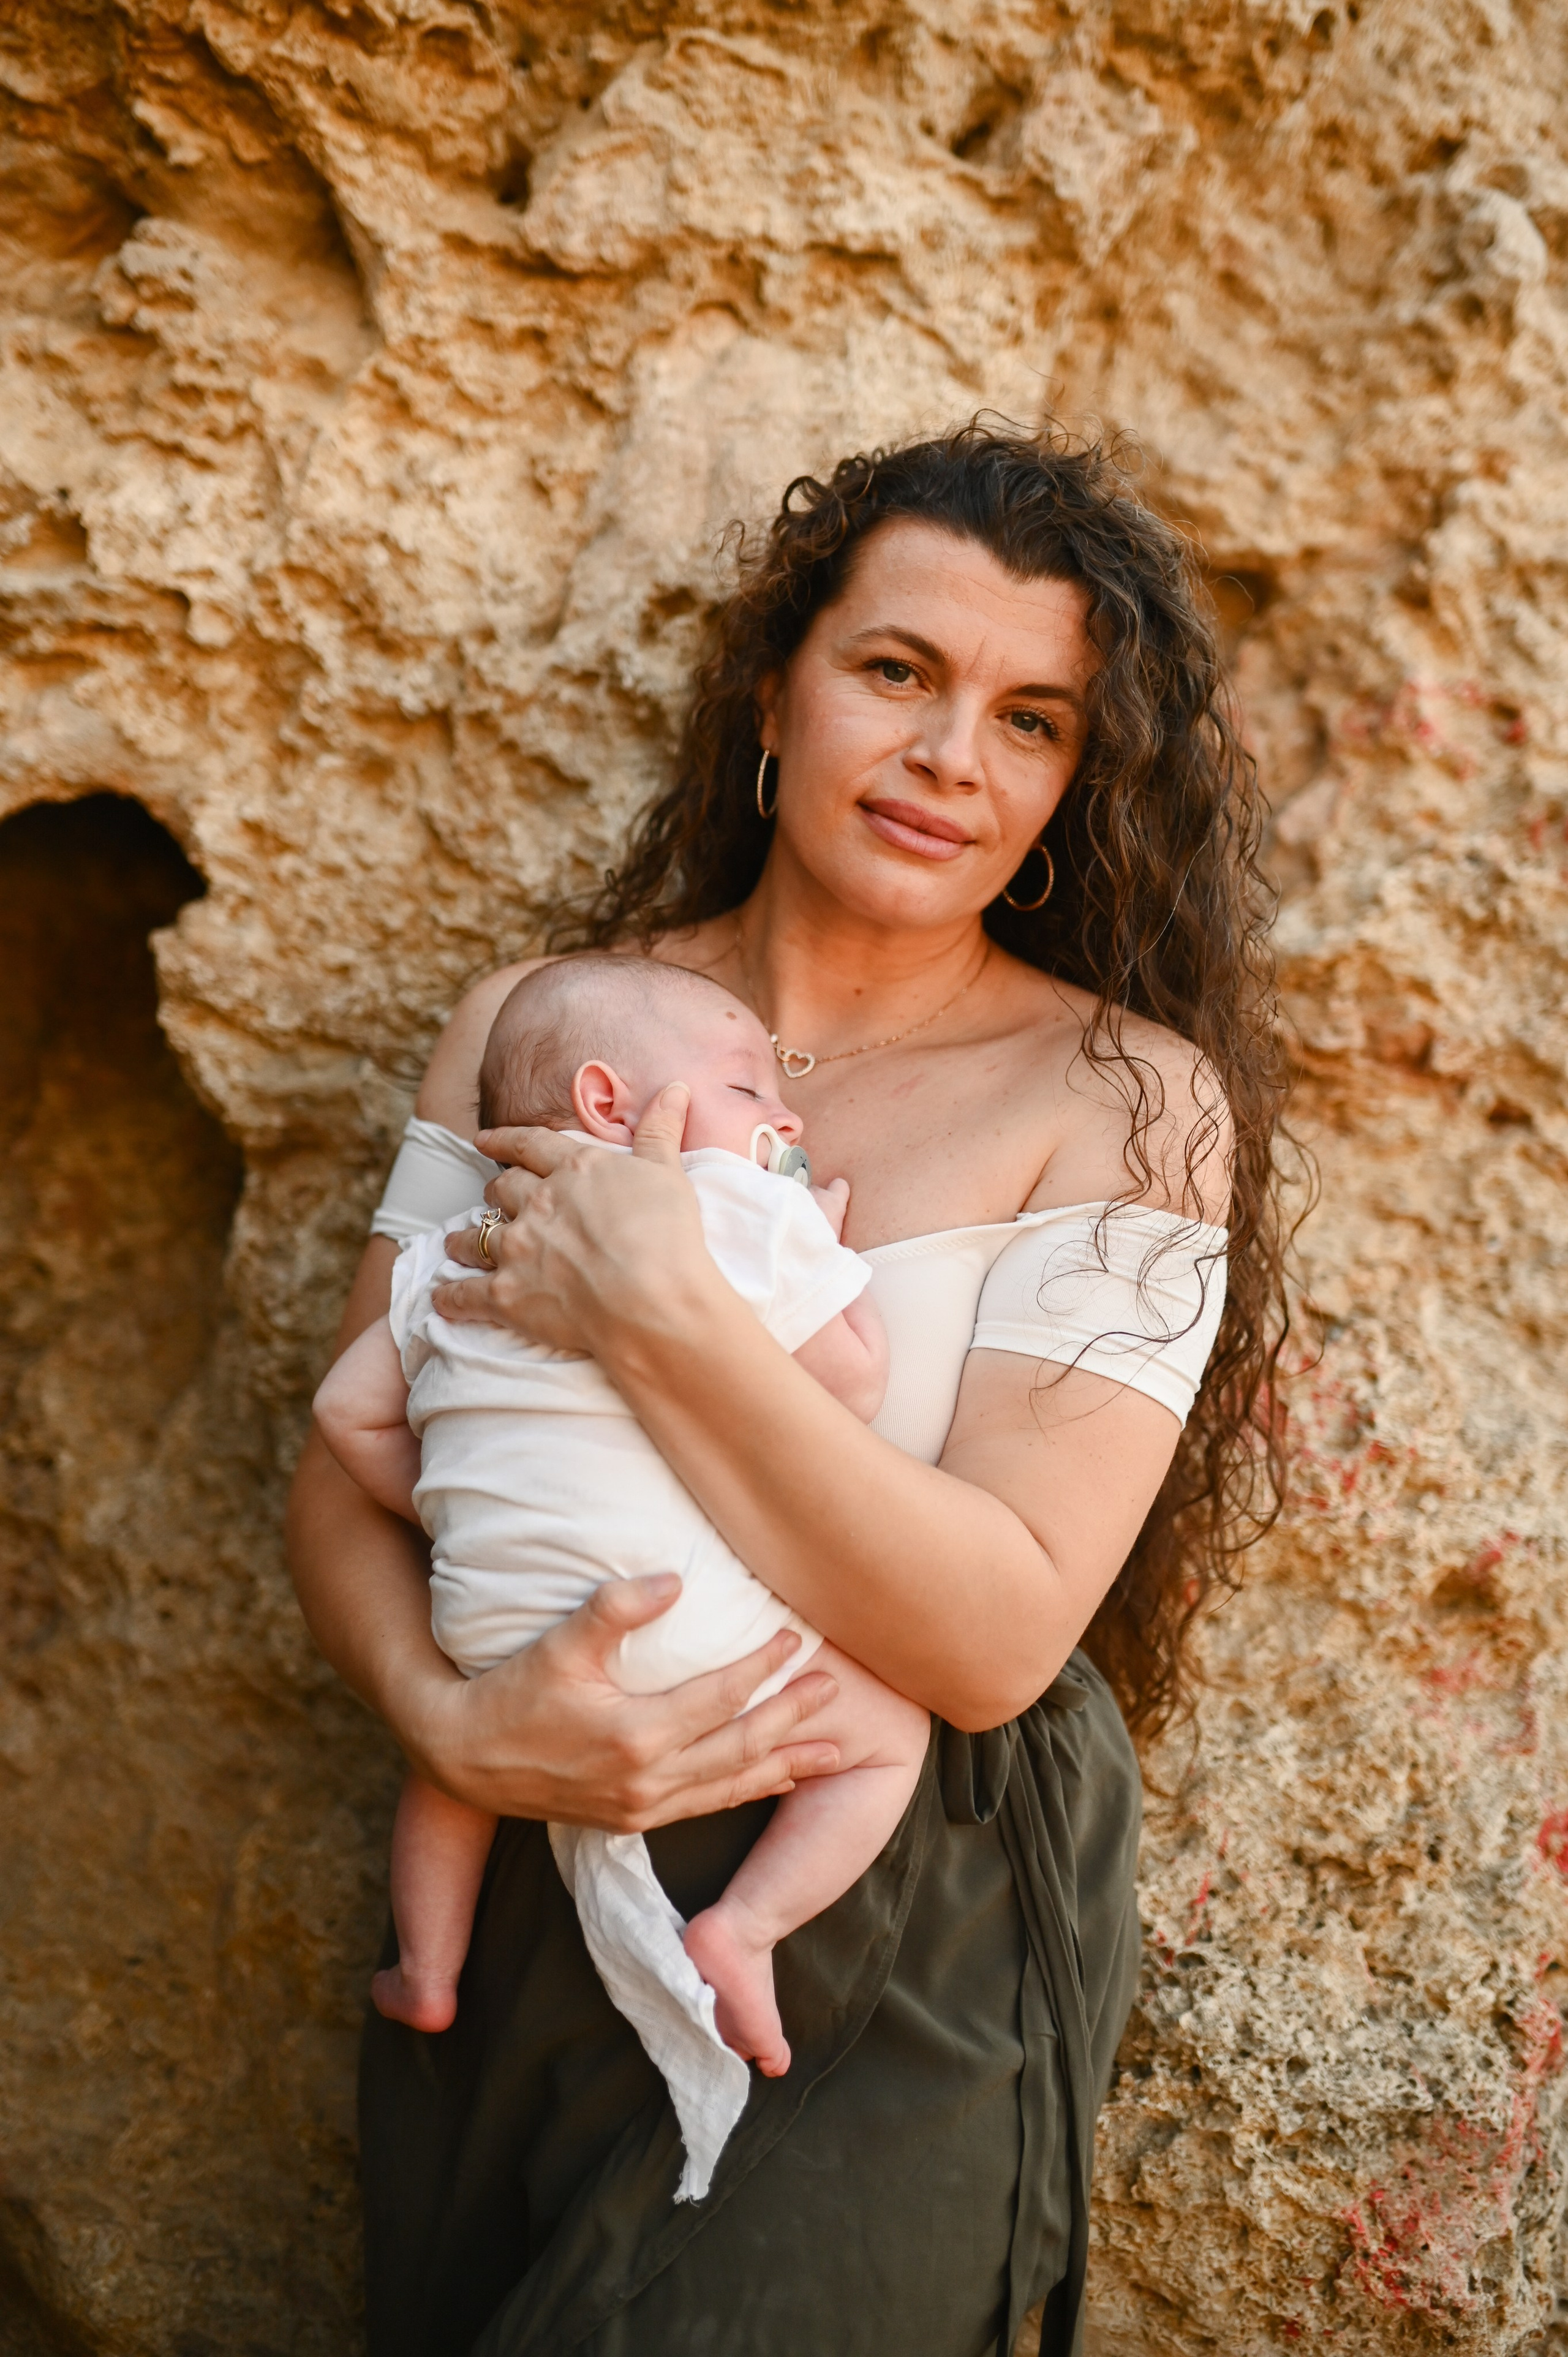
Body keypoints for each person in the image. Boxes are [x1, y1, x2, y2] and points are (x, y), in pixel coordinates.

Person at [286, 423, 1292, 2357]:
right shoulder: (532, 1028)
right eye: (897, 671)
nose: (949, 757)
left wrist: (664, 1316)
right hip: (512, 1869)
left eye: (1031, 720)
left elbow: (996, 1638)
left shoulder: (1131, 1101)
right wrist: (459, 1726)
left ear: (1073, 783)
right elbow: (351, 1466)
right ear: (774, 690)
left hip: (889, 1909)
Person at [312, 953, 925, 2195]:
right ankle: (744, 1927)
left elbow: (345, 1413)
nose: (785, 1114)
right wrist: (816, 1240)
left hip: (490, 1619)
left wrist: (460, 1512)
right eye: (748, 1088)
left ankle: (426, 1969)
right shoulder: (730, 1208)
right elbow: (856, 1381)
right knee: (888, 1733)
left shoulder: (453, 1247)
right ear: (610, 1104)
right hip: (686, 1624)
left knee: (454, 1762)